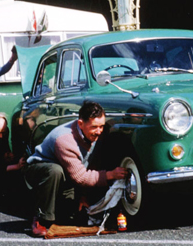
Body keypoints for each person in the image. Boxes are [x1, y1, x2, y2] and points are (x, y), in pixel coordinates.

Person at [25, 100, 130, 237]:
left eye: (101, 126)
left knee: (72, 216)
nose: (99, 131)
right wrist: (111, 175)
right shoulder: (64, 139)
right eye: (94, 127)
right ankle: (41, 219)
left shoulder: (96, 134)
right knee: (54, 170)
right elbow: (80, 177)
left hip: (67, 174)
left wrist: (83, 196)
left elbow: (91, 164)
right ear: (80, 124)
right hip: (39, 173)